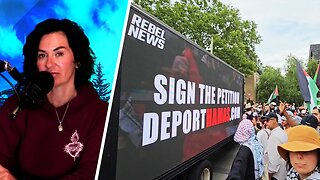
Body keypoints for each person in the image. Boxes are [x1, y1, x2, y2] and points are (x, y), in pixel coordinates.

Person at [0, 19, 108, 179]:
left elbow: (89, 173)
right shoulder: (17, 105)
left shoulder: (99, 112)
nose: (49, 64)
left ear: (77, 60)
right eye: (42, 55)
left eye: (59, 53)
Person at [265, 112, 288, 180]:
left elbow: (274, 161)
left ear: (274, 121)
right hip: (283, 172)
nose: (265, 123)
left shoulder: (274, 136)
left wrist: (269, 175)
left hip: (276, 175)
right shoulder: (281, 132)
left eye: (267, 120)